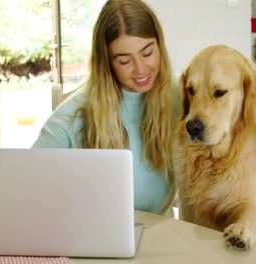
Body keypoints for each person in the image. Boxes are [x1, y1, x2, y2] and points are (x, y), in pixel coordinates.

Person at [33, 0, 179, 215]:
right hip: (96, 233)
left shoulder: (183, 95)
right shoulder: (72, 116)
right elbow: (29, 183)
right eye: (124, 61)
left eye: (147, 53)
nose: (141, 70)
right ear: (107, 63)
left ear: (160, 45)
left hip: (160, 229)